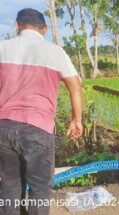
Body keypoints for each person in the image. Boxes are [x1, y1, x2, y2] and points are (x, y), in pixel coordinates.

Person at [0, 8, 83, 215]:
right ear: (44, 29)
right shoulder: (55, 52)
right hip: (38, 129)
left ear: (17, 26)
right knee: (39, 191)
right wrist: (76, 119)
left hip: (3, 127)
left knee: (9, 188)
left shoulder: (2, 48)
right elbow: (75, 85)